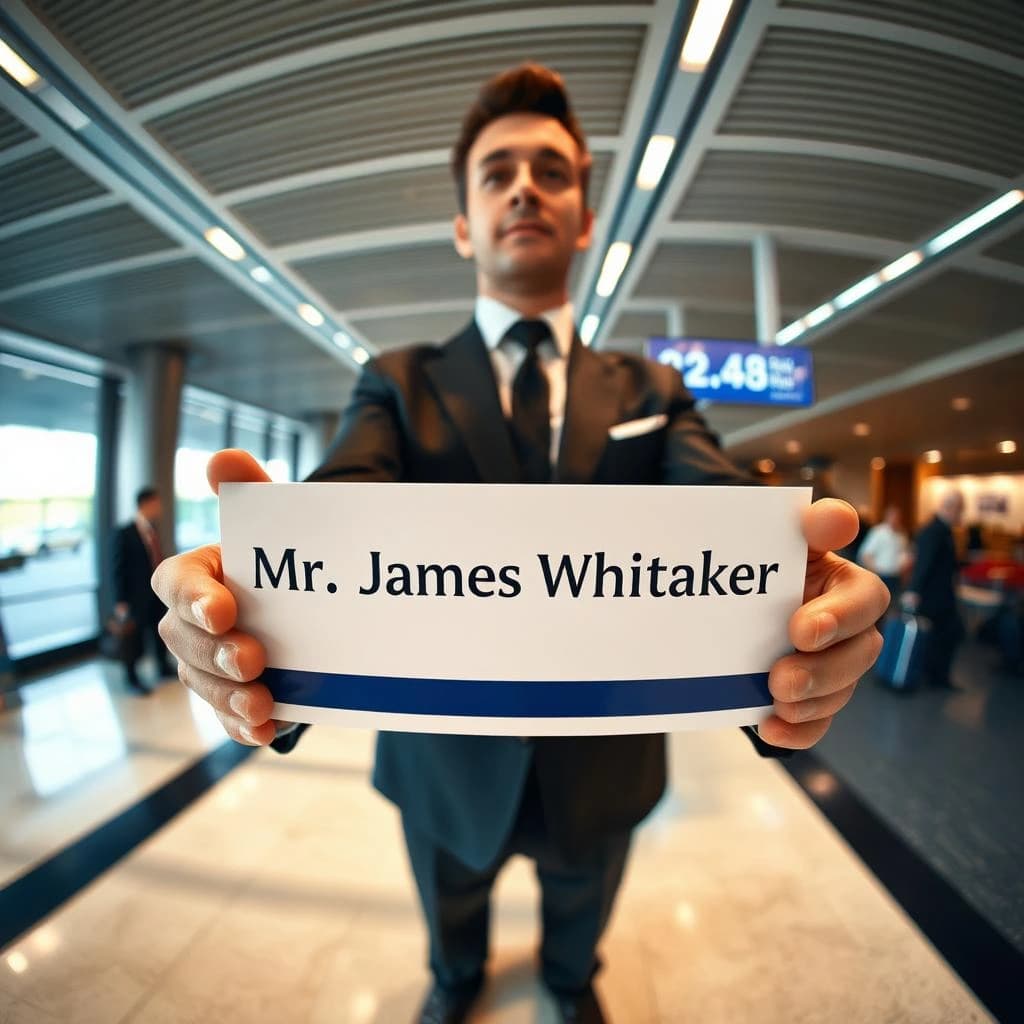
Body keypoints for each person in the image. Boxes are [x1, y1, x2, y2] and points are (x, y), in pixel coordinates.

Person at [152, 65, 888, 1024]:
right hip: (442, 759)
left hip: (606, 755)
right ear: (465, 224)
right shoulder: (398, 381)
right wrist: (258, 589)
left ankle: (572, 988)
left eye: (552, 171)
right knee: (448, 921)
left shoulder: (650, 393)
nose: (525, 188)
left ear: (585, 218)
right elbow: (345, 504)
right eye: (497, 173)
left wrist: (800, 592)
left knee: (581, 927)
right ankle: (455, 985)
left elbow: (716, 517)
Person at [903, 490, 965, 690]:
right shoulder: (934, 531)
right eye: (960, 509)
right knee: (947, 634)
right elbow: (923, 564)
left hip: (940, 595)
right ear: (950, 508)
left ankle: (936, 675)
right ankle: (936, 676)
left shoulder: (942, 530)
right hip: (934, 596)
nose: (961, 514)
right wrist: (913, 590)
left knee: (943, 635)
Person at [112, 486, 172, 693]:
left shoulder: (151, 529)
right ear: (146, 503)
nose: (160, 507)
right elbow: (118, 569)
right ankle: (132, 678)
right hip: (136, 597)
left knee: (158, 632)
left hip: (155, 594)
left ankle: (162, 667)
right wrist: (121, 601)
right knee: (134, 640)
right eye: (157, 503)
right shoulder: (125, 532)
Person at [858, 505, 910, 611]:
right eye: (893, 516)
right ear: (887, 517)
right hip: (881, 576)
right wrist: (875, 574)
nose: (895, 519)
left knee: (893, 609)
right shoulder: (878, 532)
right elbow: (865, 555)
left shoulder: (902, 535)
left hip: (896, 577)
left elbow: (904, 554)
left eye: (897, 517)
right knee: (878, 609)